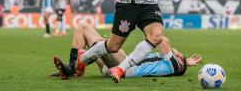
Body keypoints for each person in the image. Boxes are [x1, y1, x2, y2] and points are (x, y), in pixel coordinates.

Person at [50, 22, 202, 79]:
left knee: (104, 44)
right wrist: (183, 59)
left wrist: (180, 57)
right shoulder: (170, 63)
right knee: (82, 28)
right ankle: (71, 68)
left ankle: (73, 68)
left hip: (126, 69)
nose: (177, 53)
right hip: (118, 64)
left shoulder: (173, 65)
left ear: (179, 61)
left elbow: (162, 40)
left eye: (179, 56)